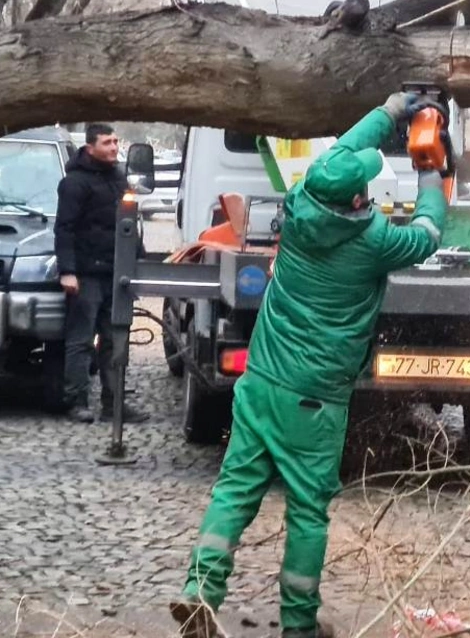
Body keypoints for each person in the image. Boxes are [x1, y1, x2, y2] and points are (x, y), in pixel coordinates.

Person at [171, 93, 447, 638]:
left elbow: (342, 152)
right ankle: (297, 627)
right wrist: (431, 173)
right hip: (315, 399)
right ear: (359, 196)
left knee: (234, 488)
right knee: (307, 509)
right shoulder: (373, 241)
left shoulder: (297, 207)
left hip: (260, 384)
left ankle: (200, 588)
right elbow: (429, 234)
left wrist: (389, 110)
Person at [54, 123, 149, 425]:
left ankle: (114, 404)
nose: (114, 147)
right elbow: (64, 229)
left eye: (116, 141)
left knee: (115, 339)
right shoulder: (75, 183)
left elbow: (130, 226)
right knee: (81, 341)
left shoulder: (118, 179)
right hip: (86, 274)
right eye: (107, 142)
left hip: (117, 274)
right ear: (90, 146)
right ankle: (76, 400)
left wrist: (139, 263)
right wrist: (67, 271)